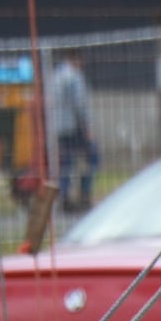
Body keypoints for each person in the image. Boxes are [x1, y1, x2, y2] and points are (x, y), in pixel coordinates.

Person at [47, 49, 99, 211]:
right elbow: (79, 105)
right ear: (76, 59)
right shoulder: (75, 77)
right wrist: (87, 128)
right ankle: (84, 194)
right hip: (74, 127)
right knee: (92, 158)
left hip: (59, 127)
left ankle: (64, 197)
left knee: (66, 163)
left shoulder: (55, 76)